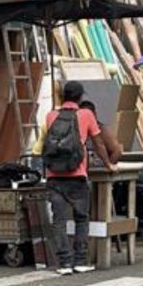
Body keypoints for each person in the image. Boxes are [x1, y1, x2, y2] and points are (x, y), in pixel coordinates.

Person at [35, 81, 116, 275]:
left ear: (63, 97)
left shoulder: (51, 115)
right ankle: (80, 260)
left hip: (54, 176)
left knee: (59, 221)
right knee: (81, 219)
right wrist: (108, 165)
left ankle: (63, 263)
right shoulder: (86, 115)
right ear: (80, 98)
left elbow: (44, 145)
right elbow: (98, 144)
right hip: (77, 175)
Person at [78, 100, 123, 166]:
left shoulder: (103, 131)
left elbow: (117, 151)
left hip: (99, 170)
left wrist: (107, 167)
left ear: (95, 115)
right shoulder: (78, 130)